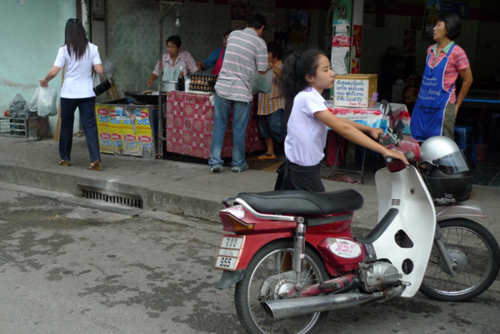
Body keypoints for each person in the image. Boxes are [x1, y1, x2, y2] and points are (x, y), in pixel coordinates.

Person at [276, 49, 408, 192]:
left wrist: (369, 129)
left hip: (303, 171)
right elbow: (344, 130)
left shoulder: (311, 96)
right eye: (325, 70)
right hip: (301, 174)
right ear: (310, 77)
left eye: (330, 68)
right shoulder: (307, 98)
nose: (332, 74)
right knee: (319, 212)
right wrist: (384, 151)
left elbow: (338, 120)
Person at [39, 18, 104, 171]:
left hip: (69, 94)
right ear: (82, 31)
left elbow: (54, 71)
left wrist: (45, 80)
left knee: (66, 126)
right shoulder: (92, 48)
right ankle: (96, 160)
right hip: (87, 94)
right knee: (90, 126)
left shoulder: (64, 49)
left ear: (67, 33)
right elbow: (100, 70)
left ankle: (65, 158)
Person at [208, 14, 268, 173]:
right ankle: (238, 163)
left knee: (219, 126)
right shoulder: (260, 43)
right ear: (261, 28)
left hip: (223, 87)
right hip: (242, 90)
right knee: (239, 128)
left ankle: (215, 162)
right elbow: (262, 70)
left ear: (248, 24)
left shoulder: (233, 35)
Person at [410, 13, 473, 142]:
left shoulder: (457, 52)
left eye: (438, 25)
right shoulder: (430, 50)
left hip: (443, 108)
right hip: (424, 105)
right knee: (420, 144)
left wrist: (457, 106)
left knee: (441, 147)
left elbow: (468, 80)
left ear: (448, 29)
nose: (434, 28)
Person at [257, 42, 286, 160]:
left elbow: (285, 78)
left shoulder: (282, 66)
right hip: (262, 102)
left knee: (277, 129)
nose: (265, 55)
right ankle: (270, 152)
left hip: (275, 103)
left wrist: (272, 68)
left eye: (267, 53)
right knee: (264, 130)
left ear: (275, 55)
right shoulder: (263, 66)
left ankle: (290, 151)